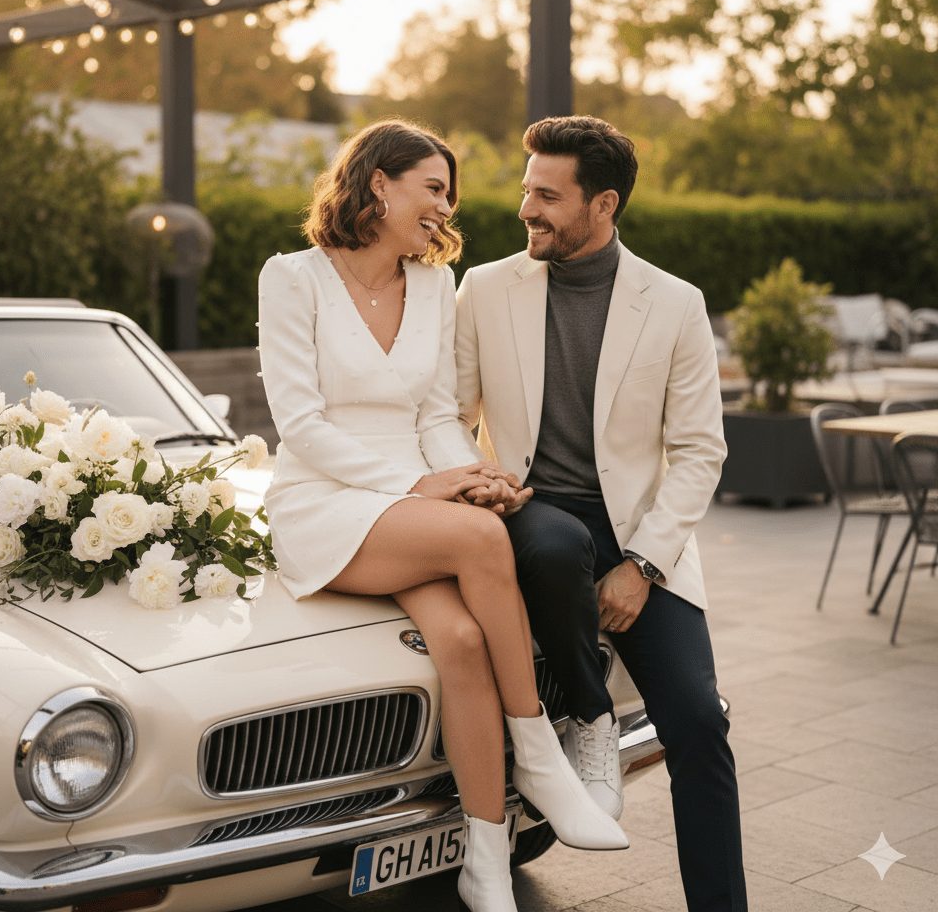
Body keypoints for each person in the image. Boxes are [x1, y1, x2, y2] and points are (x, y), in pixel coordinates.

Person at [256, 119, 627, 912]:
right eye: (432, 189)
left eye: (448, 196)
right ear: (378, 183)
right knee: (480, 535)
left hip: (410, 503)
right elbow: (301, 424)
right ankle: (540, 757)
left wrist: (469, 472)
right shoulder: (292, 278)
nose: (444, 207)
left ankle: (485, 860)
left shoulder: (432, 286)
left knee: (460, 640)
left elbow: (433, 415)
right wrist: (426, 491)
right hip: (323, 500)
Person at [453, 116, 747, 912]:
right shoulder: (483, 288)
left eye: (548, 196)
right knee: (553, 543)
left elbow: (698, 451)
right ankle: (588, 721)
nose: (527, 210)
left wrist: (643, 565)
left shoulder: (676, 303)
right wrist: (482, 479)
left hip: (641, 535)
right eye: (526, 191)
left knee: (697, 722)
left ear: (603, 204)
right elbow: (448, 412)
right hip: (529, 511)